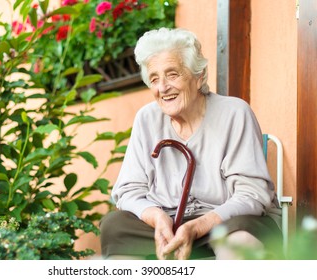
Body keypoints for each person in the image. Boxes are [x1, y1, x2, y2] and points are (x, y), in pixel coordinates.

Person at [99, 27, 282, 260]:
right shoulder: (146, 118)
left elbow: (252, 194)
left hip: (222, 221)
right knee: (114, 226)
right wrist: (157, 218)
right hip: (168, 224)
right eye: (154, 78)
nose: (163, 87)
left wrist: (198, 226)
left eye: (172, 74)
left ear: (200, 76)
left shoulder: (235, 113)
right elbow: (128, 190)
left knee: (239, 237)